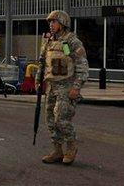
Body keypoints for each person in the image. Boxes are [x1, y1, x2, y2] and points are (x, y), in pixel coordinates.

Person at [36, 10, 89, 165]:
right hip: (51, 86)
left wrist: (77, 87)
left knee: (61, 119)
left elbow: (82, 65)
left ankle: (71, 147)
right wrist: (38, 80)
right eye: (50, 22)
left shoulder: (72, 41)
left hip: (66, 86)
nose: (51, 25)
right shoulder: (48, 41)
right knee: (50, 120)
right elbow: (41, 61)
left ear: (63, 23)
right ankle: (57, 150)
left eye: (54, 22)